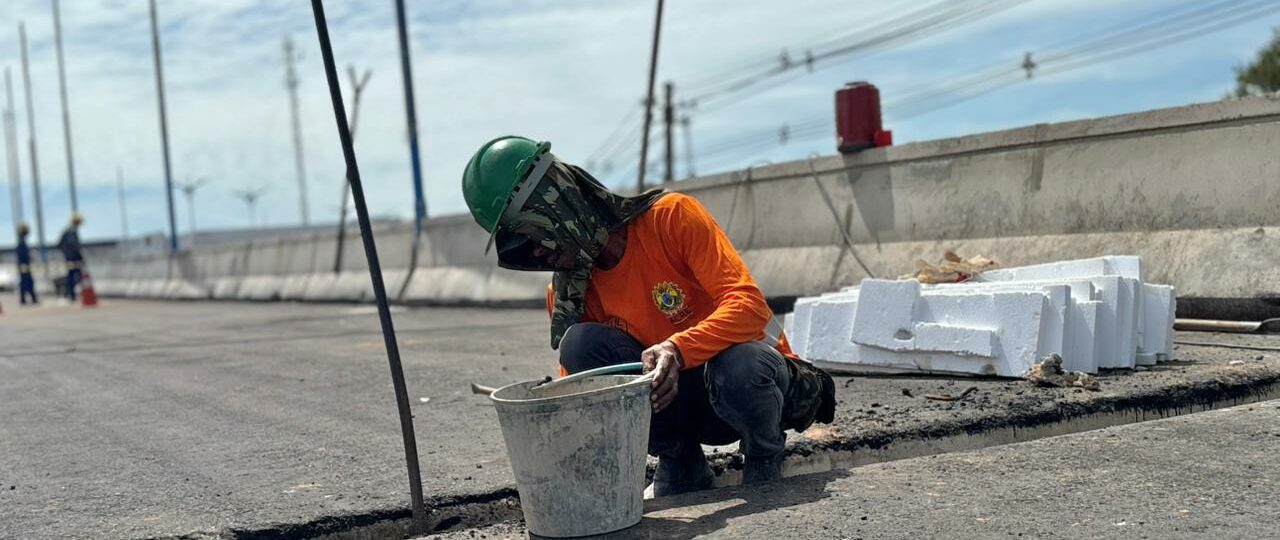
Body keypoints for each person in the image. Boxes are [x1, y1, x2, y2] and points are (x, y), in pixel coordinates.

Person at [462, 136, 835, 495]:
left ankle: (764, 457)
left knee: (739, 362)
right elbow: (590, 396)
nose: (536, 256)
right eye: (520, 249)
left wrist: (677, 347)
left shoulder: (670, 218)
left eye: (532, 238)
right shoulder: (569, 295)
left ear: (557, 208)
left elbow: (750, 308)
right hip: (679, 404)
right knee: (580, 345)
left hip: (751, 389)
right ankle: (680, 460)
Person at [57, 213, 84, 301]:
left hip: (69, 258)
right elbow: (74, 246)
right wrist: (80, 257)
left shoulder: (66, 231)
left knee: (71, 275)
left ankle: (68, 293)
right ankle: (69, 293)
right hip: (73, 258)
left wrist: (65, 254)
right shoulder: (71, 232)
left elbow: (59, 245)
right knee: (76, 276)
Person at [16, 222, 37, 305]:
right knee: (27, 283)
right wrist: (29, 255)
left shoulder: (22, 242)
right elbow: (22, 255)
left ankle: (26, 299)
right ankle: (29, 299)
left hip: (24, 266)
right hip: (24, 266)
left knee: (25, 283)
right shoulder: (22, 243)